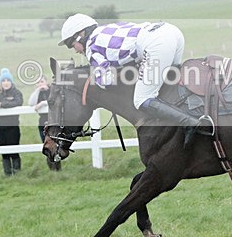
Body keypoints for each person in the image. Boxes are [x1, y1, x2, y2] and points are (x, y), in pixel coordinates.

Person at [58, 13, 202, 144]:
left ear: (81, 35)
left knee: (141, 100)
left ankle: (190, 123)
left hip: (156, 44)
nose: (76, 50)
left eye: (72, 45)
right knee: (170, 84)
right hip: (171, 32)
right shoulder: (107, 29)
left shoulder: (91, 47)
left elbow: (106, 81)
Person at [0, 68, 24, 175]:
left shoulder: (16, 93)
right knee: (3, 151)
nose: (6, 83)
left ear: (11, 82)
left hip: (12, 126)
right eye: (3, 81)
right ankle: (7, 173)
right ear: (0, 82)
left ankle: (17, 173)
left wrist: (1, 105)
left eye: (8, 80)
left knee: (14, 150)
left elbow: (18, 102)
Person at [28, 76, 50, 141]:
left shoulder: (52, 90)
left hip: (53, 121)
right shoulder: (37, 93)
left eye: (42, 82)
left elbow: (55, 101)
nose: (40, 84)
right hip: (42, 122)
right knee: (45, 143)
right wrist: (37, 90)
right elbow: (31, 103)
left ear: (46, 82)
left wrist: (43, 103)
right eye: (38, 82)